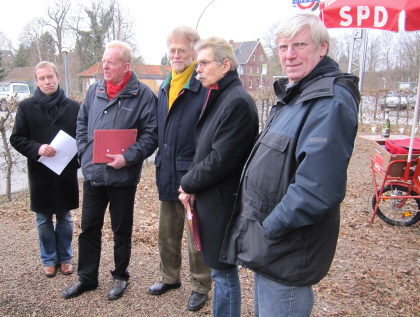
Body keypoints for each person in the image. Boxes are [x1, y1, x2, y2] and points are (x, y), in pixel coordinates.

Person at [220, 12, 361, 316]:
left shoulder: (329, 100)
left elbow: (317, 188)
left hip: (286, 247)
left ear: (322, 48)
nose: (289, 55)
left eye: (299, 45)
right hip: (269, 247)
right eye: (283, 48)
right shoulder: (297, 94)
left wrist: (270, 227)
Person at [62, 40, 158, 300]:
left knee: (121, 230)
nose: (104, 66)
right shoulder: (95, 90)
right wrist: (83, 151)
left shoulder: (143, 95)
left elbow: (152, 135)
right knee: (89, 228)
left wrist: (127, 157)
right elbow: (81, 122)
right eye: (104, 60)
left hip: (122, 177)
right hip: (94, 175)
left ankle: (119, 276)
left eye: (111, 62)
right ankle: (87, 278)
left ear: (126, 66)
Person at [178, 37, 259, 317]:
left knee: (223, 273)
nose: (197, 69)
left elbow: (221, 159)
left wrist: (188, 182)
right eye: (197, 63)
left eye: (203, 63)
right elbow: (204, 150)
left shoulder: (236, 101)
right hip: (213, 198)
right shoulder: (220, 95)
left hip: (224, 202)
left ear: (225, 65)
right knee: (218, 271)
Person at [148, 26, 212, 311]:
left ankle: (200, 285)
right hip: (167, 171)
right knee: (167, 232)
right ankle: (169, 277)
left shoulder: (203, 89)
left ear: (194, 52)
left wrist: (197, 178)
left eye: (182, 50)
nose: (175, 55)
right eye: (172, 50)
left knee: (195, 235)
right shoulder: (164, 87)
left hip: (192, 175)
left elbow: (208, 138)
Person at [10, 61, 80, 278]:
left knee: (65, 218)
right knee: (42, 219)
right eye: (42, 78)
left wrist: (75, 159)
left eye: (50, 77)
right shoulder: (26, 107)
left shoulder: (73, 107)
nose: (47, 81)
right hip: (40, 173)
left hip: (65, 172)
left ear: (58, 78)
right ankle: (49, 258)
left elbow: (83, 138)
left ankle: (65, 258)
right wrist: (37, 148)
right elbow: (17, 138)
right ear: (36, 82)